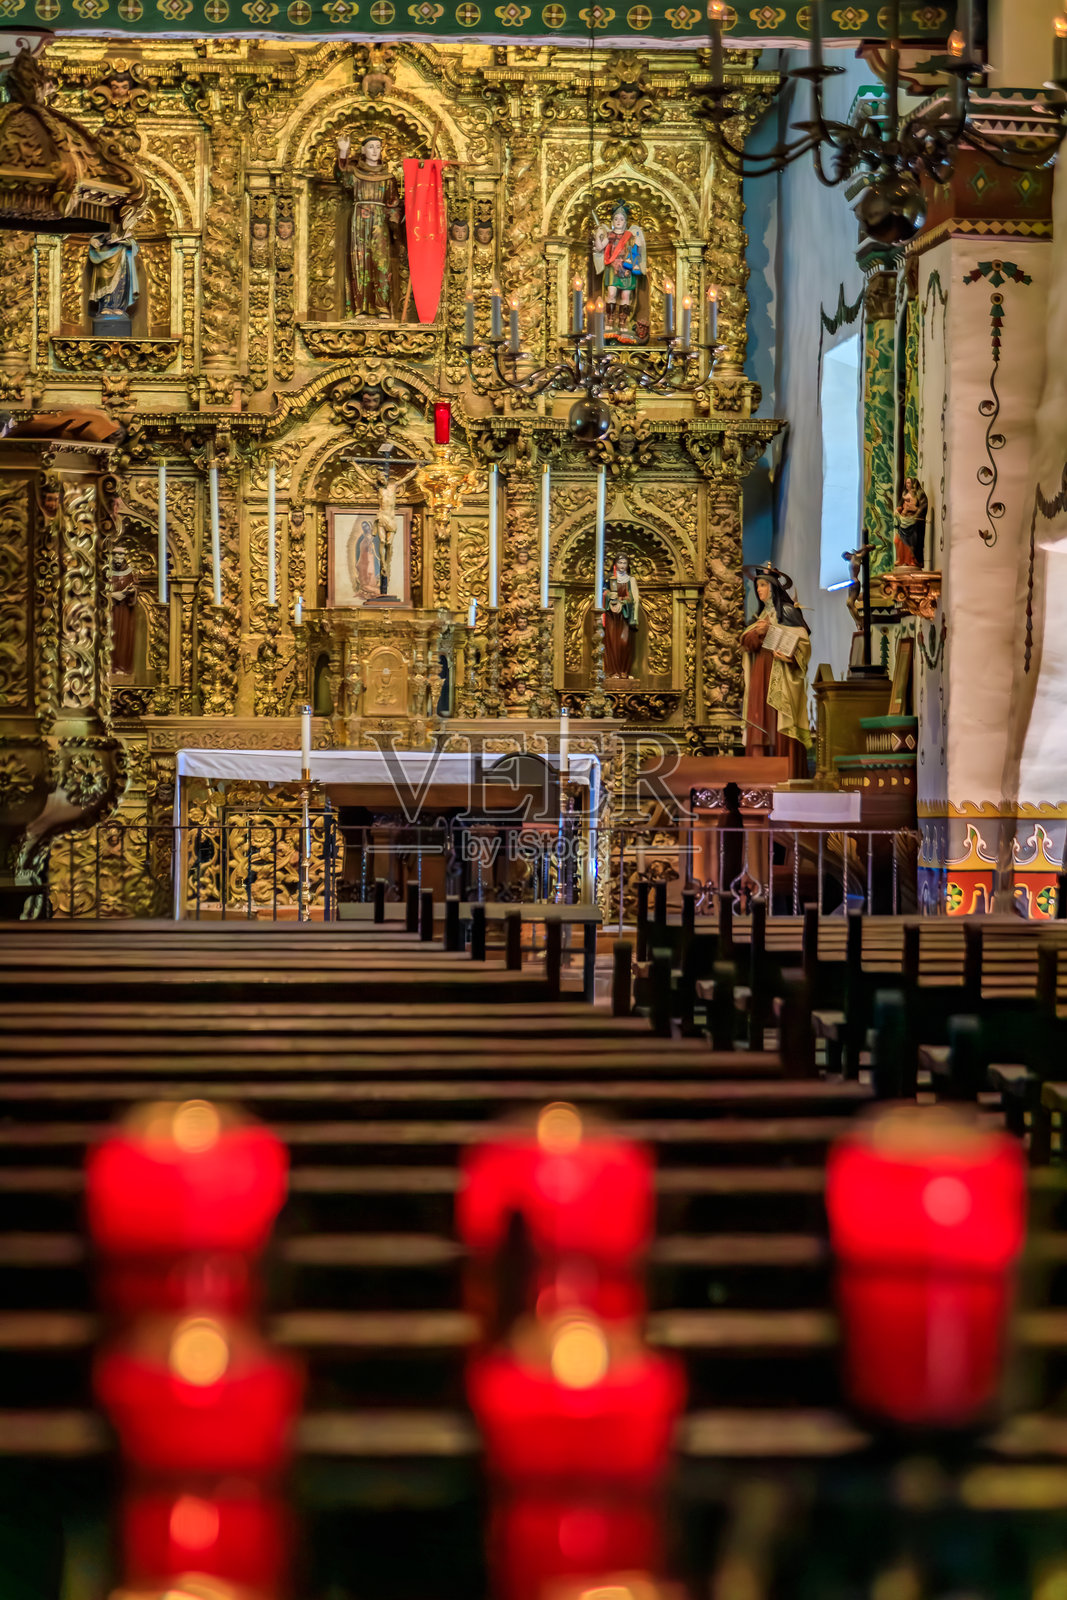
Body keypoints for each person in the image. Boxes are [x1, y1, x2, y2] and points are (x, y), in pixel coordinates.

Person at [740, 562, 812, 780]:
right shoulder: (759, 617)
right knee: (760, 718)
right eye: (758, 586)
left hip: (779, 670)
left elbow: (804, 640)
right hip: (761, 671)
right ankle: (760, 775)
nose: (759, 590)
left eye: (763, 585)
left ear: (773, 587)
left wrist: (774, 631)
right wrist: (755, 634)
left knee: (778, 719)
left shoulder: (788, 611)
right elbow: (748, 645)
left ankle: (785, 772)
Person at [336, 133, 401, 319]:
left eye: (378, 147)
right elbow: (341, 177)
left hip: (380, 221)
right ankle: (361, 307)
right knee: (360, 261)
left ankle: (382, 306)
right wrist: (342, 151)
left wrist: (395, 224)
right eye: (370, 147)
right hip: (359, 220)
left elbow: (393, 203)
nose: (374, 150)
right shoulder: (355, 174)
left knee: (381, 262)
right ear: (363, 150)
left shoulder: (388, 177)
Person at [592, 202, 646, 341]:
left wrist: (638, 241)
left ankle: (623, 323)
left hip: (626, 268)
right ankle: (609, 321)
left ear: (625, 222)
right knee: (611, 293)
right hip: (612, 267)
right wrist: (598, 234)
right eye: (616, 219)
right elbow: (599, 248)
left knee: (626, 295)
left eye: (621, 219)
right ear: (612, 222)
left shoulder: (630, 235)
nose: (618, 222)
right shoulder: (609, 235)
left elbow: (638, 250)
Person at [602, 554, 640, 679]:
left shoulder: (630, 580)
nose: (622, 566)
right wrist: (608, 595)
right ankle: (613, 672)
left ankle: (624, 671)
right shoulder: (609, 579)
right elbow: (601, 593)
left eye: (624, 563)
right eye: (620, 563)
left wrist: (622, 601)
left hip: (624, 616)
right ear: (615, 564)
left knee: (624, 643)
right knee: (611, 643)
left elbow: (634, 599)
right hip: (611, 616)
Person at [895, 477, 928, 568]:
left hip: (915, 523)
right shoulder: (905, 493)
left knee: (913, 543)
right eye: (906, 483)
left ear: (913, 483)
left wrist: (915, 513)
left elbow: (923, 506)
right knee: (898, 540)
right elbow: (901, 505)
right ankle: (902, 559)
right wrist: (899, 510)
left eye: (909, 483)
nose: (907, 484)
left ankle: (913, 561)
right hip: (904, 521)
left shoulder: (919, 493)